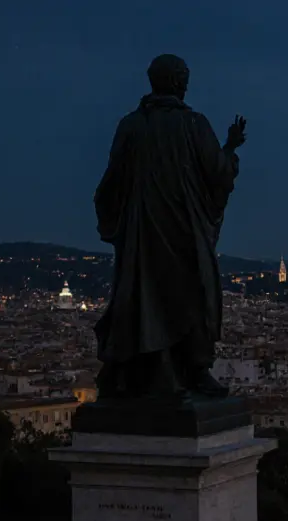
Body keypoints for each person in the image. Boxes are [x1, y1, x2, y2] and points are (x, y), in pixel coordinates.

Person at [92, 54, 247, 400]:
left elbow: (110, 183)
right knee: (195, 292)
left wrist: (118, 221)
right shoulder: (194, 124)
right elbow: (219, 173)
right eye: (184, 78)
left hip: (141, 232)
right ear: (177, 82)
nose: (187, 84)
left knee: (146, 295)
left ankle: (164, 370)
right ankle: (193, 369)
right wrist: (231, 148)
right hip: (184, 228)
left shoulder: (130, 125)